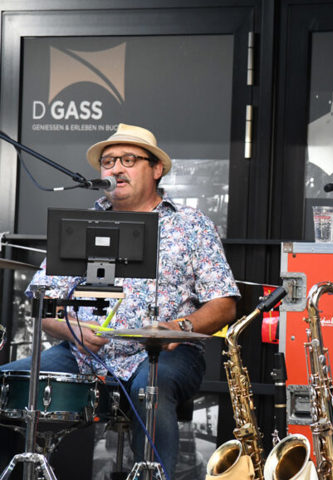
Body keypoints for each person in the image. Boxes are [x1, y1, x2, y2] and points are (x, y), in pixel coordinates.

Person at [0, 123, 240, 478]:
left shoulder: (191, 225)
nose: (115, 168)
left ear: (156, 170)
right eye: (108, 161)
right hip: (81, 354)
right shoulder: (80, 225)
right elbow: (44, 305)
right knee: (7, 386)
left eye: (129, 159)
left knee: (149, 389)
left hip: (164, 353)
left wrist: (177, 327)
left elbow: (225, 304)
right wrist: (73, 329)